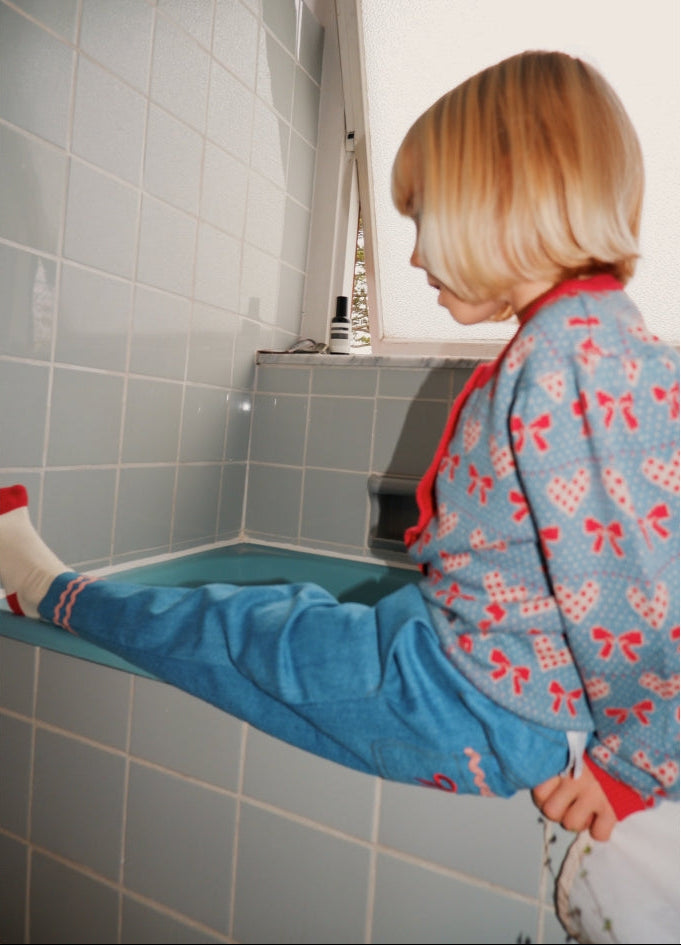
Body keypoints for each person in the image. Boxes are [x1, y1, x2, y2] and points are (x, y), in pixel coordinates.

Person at [0, 52, 677, 854]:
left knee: (237, 629)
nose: (415, 256)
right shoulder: (588, 343)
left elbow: (635, 587)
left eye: (424, 217)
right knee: (289, 615)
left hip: (471, 699)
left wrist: (634, 760)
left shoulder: (574, 358)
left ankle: (46, 591)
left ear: (499, 200)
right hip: (481, 671)